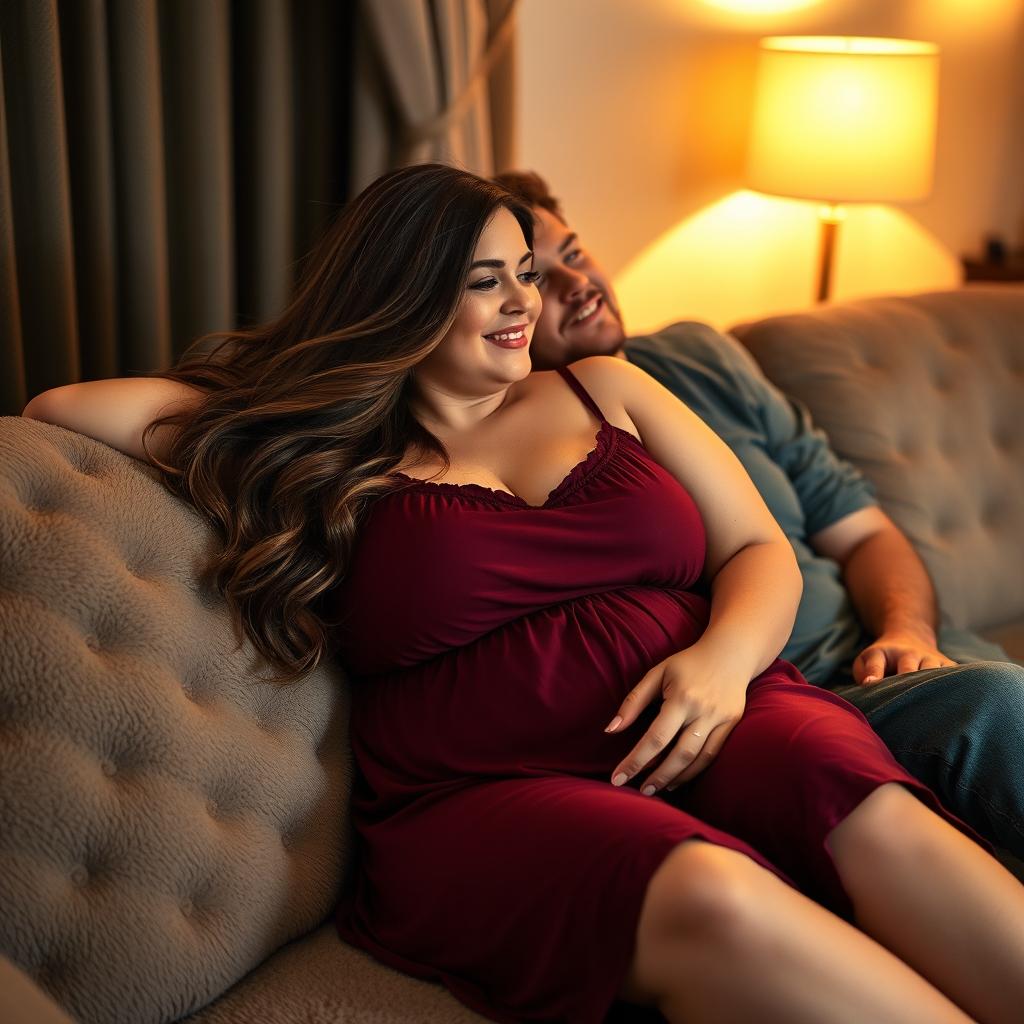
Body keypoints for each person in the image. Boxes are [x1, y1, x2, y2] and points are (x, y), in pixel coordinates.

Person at [22, 163, 1024, 1024]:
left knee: (852, 793)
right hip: (484, 785)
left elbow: (756, 546)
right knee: (707, 889)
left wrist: (722, 666)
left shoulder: (607, 388)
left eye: (526, 276)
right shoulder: (337, 459)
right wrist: (290, 386)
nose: (521, 304)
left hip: (712, 704)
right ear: (402, 299)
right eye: (483, 282)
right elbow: (64, 407)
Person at [494, 168, 1024, 869]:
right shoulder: (529, 458)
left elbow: (863, 530)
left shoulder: (697, 356)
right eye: (540, 276)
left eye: (576, 253)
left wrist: (907, 630)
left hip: (923, 661)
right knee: (995, 706)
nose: (578, 283)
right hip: (793, 705)